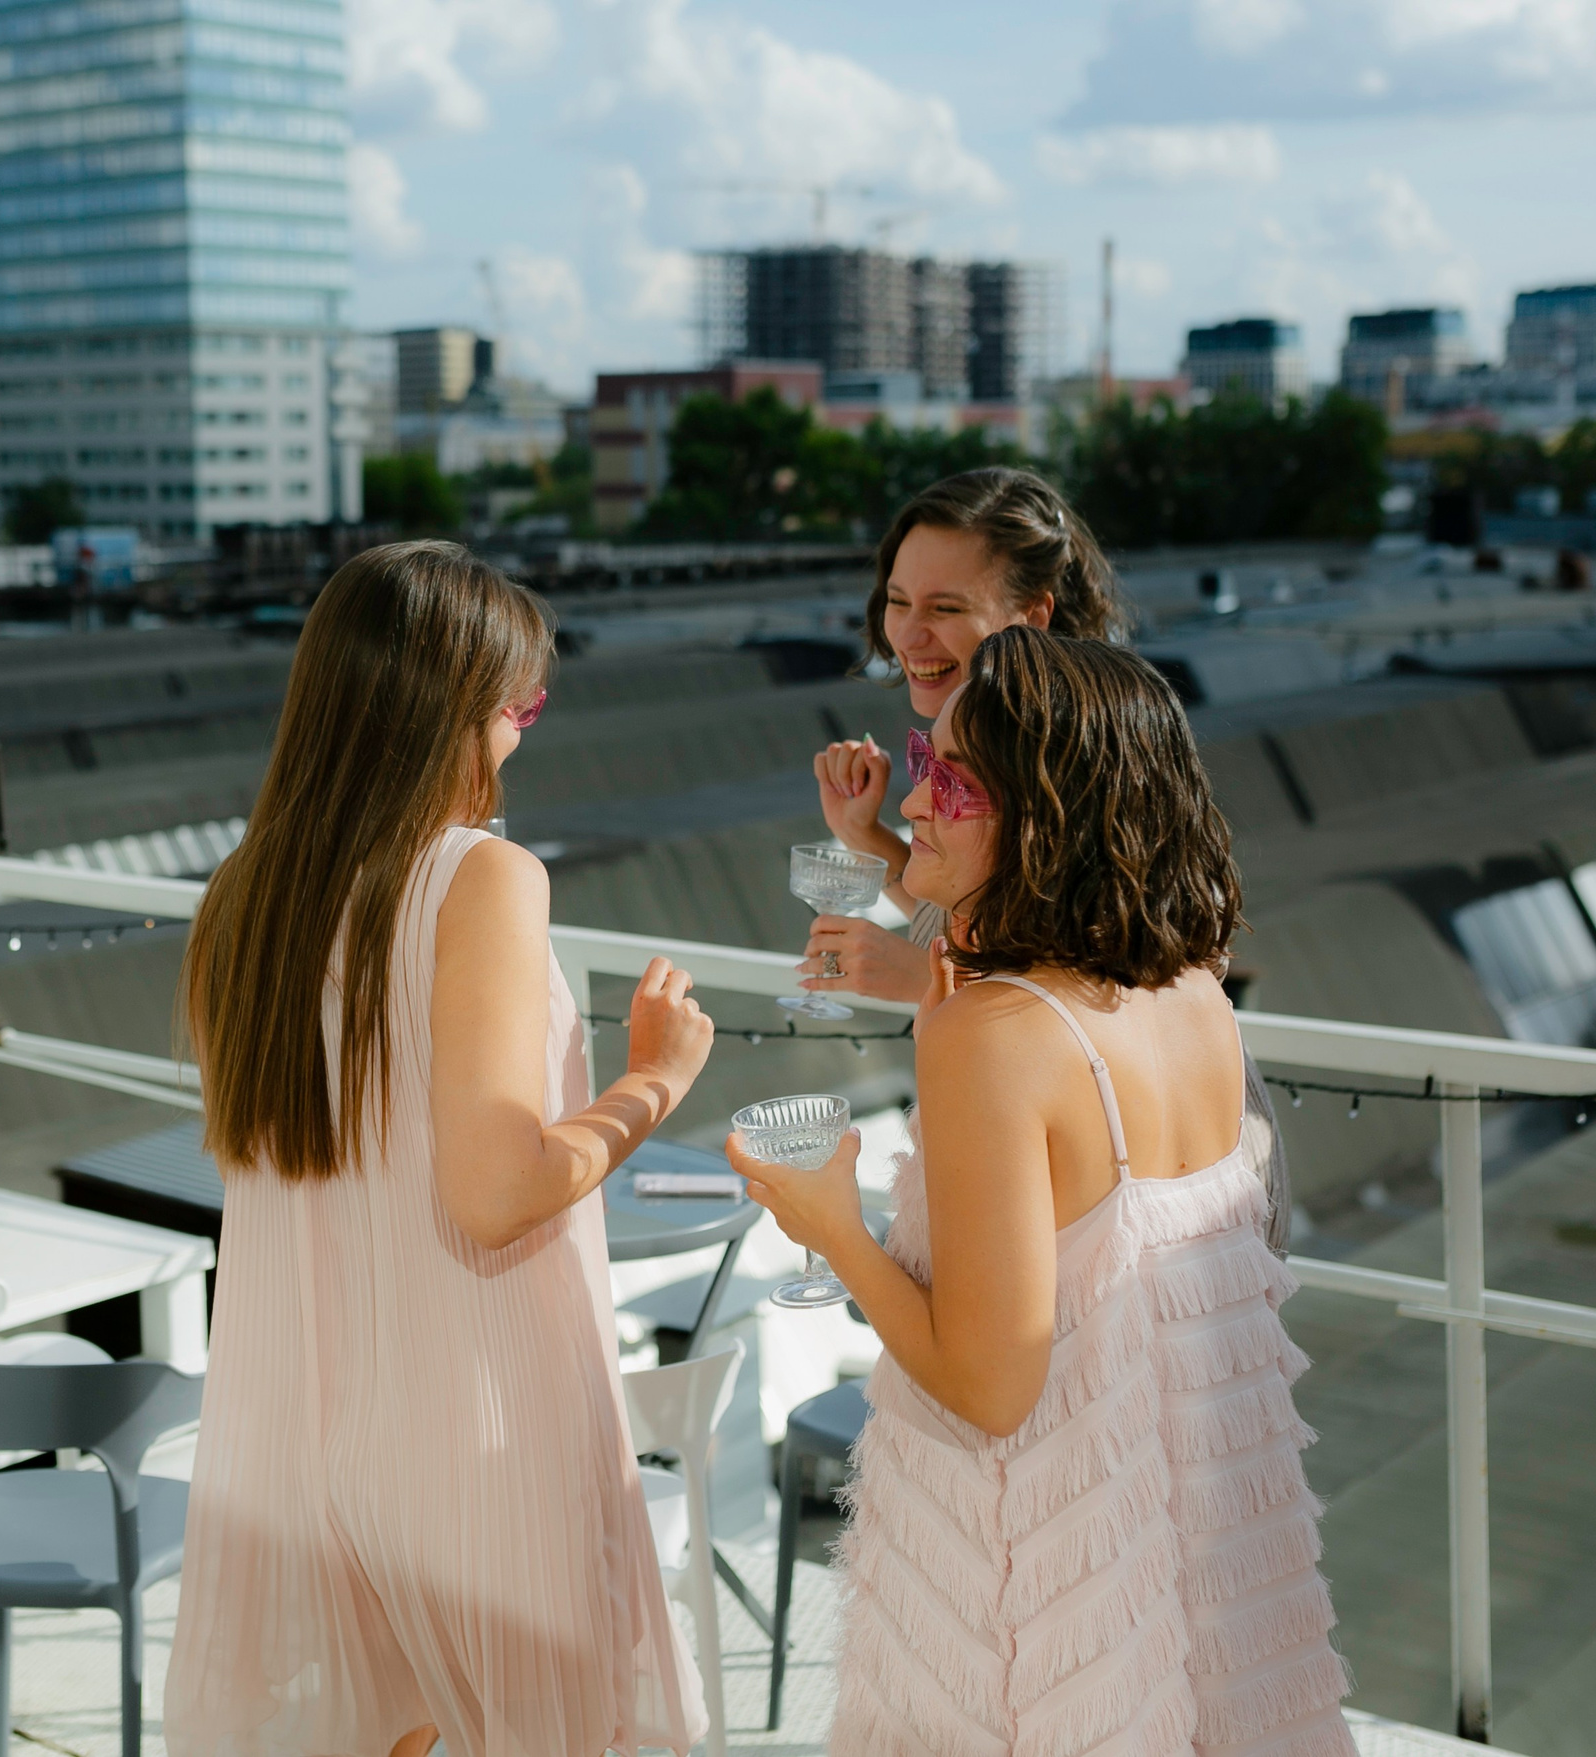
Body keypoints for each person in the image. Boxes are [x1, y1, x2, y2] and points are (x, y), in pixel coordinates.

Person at [731, 627, 1357, 1757]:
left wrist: (830, 1224)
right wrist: (881, 843)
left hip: (1035, 1566)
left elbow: (989, 1380)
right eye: (925, 762)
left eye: (949, 782)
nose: (918, 798)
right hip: (1191, 1550)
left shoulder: (991, 1035)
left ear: (1049, 815)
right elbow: (1015, 954)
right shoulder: (1189, 987)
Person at [165, 540, 716, 1757]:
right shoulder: (485, 879)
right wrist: (652, 1079)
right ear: (450, 705)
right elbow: (495, 1190)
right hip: (474, 1420)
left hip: (314, 1434)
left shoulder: (244, 893)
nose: (520, 733)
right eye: (515, 704)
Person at [803, 467, 1127, 1010]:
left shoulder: (1097, 764)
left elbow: (1123, 994)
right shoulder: (1004, 745)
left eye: (946, 608)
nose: (906, 636)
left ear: (1033, 615)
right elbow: (982, 921)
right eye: (899, 601)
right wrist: (864, 834)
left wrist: (927, 981)